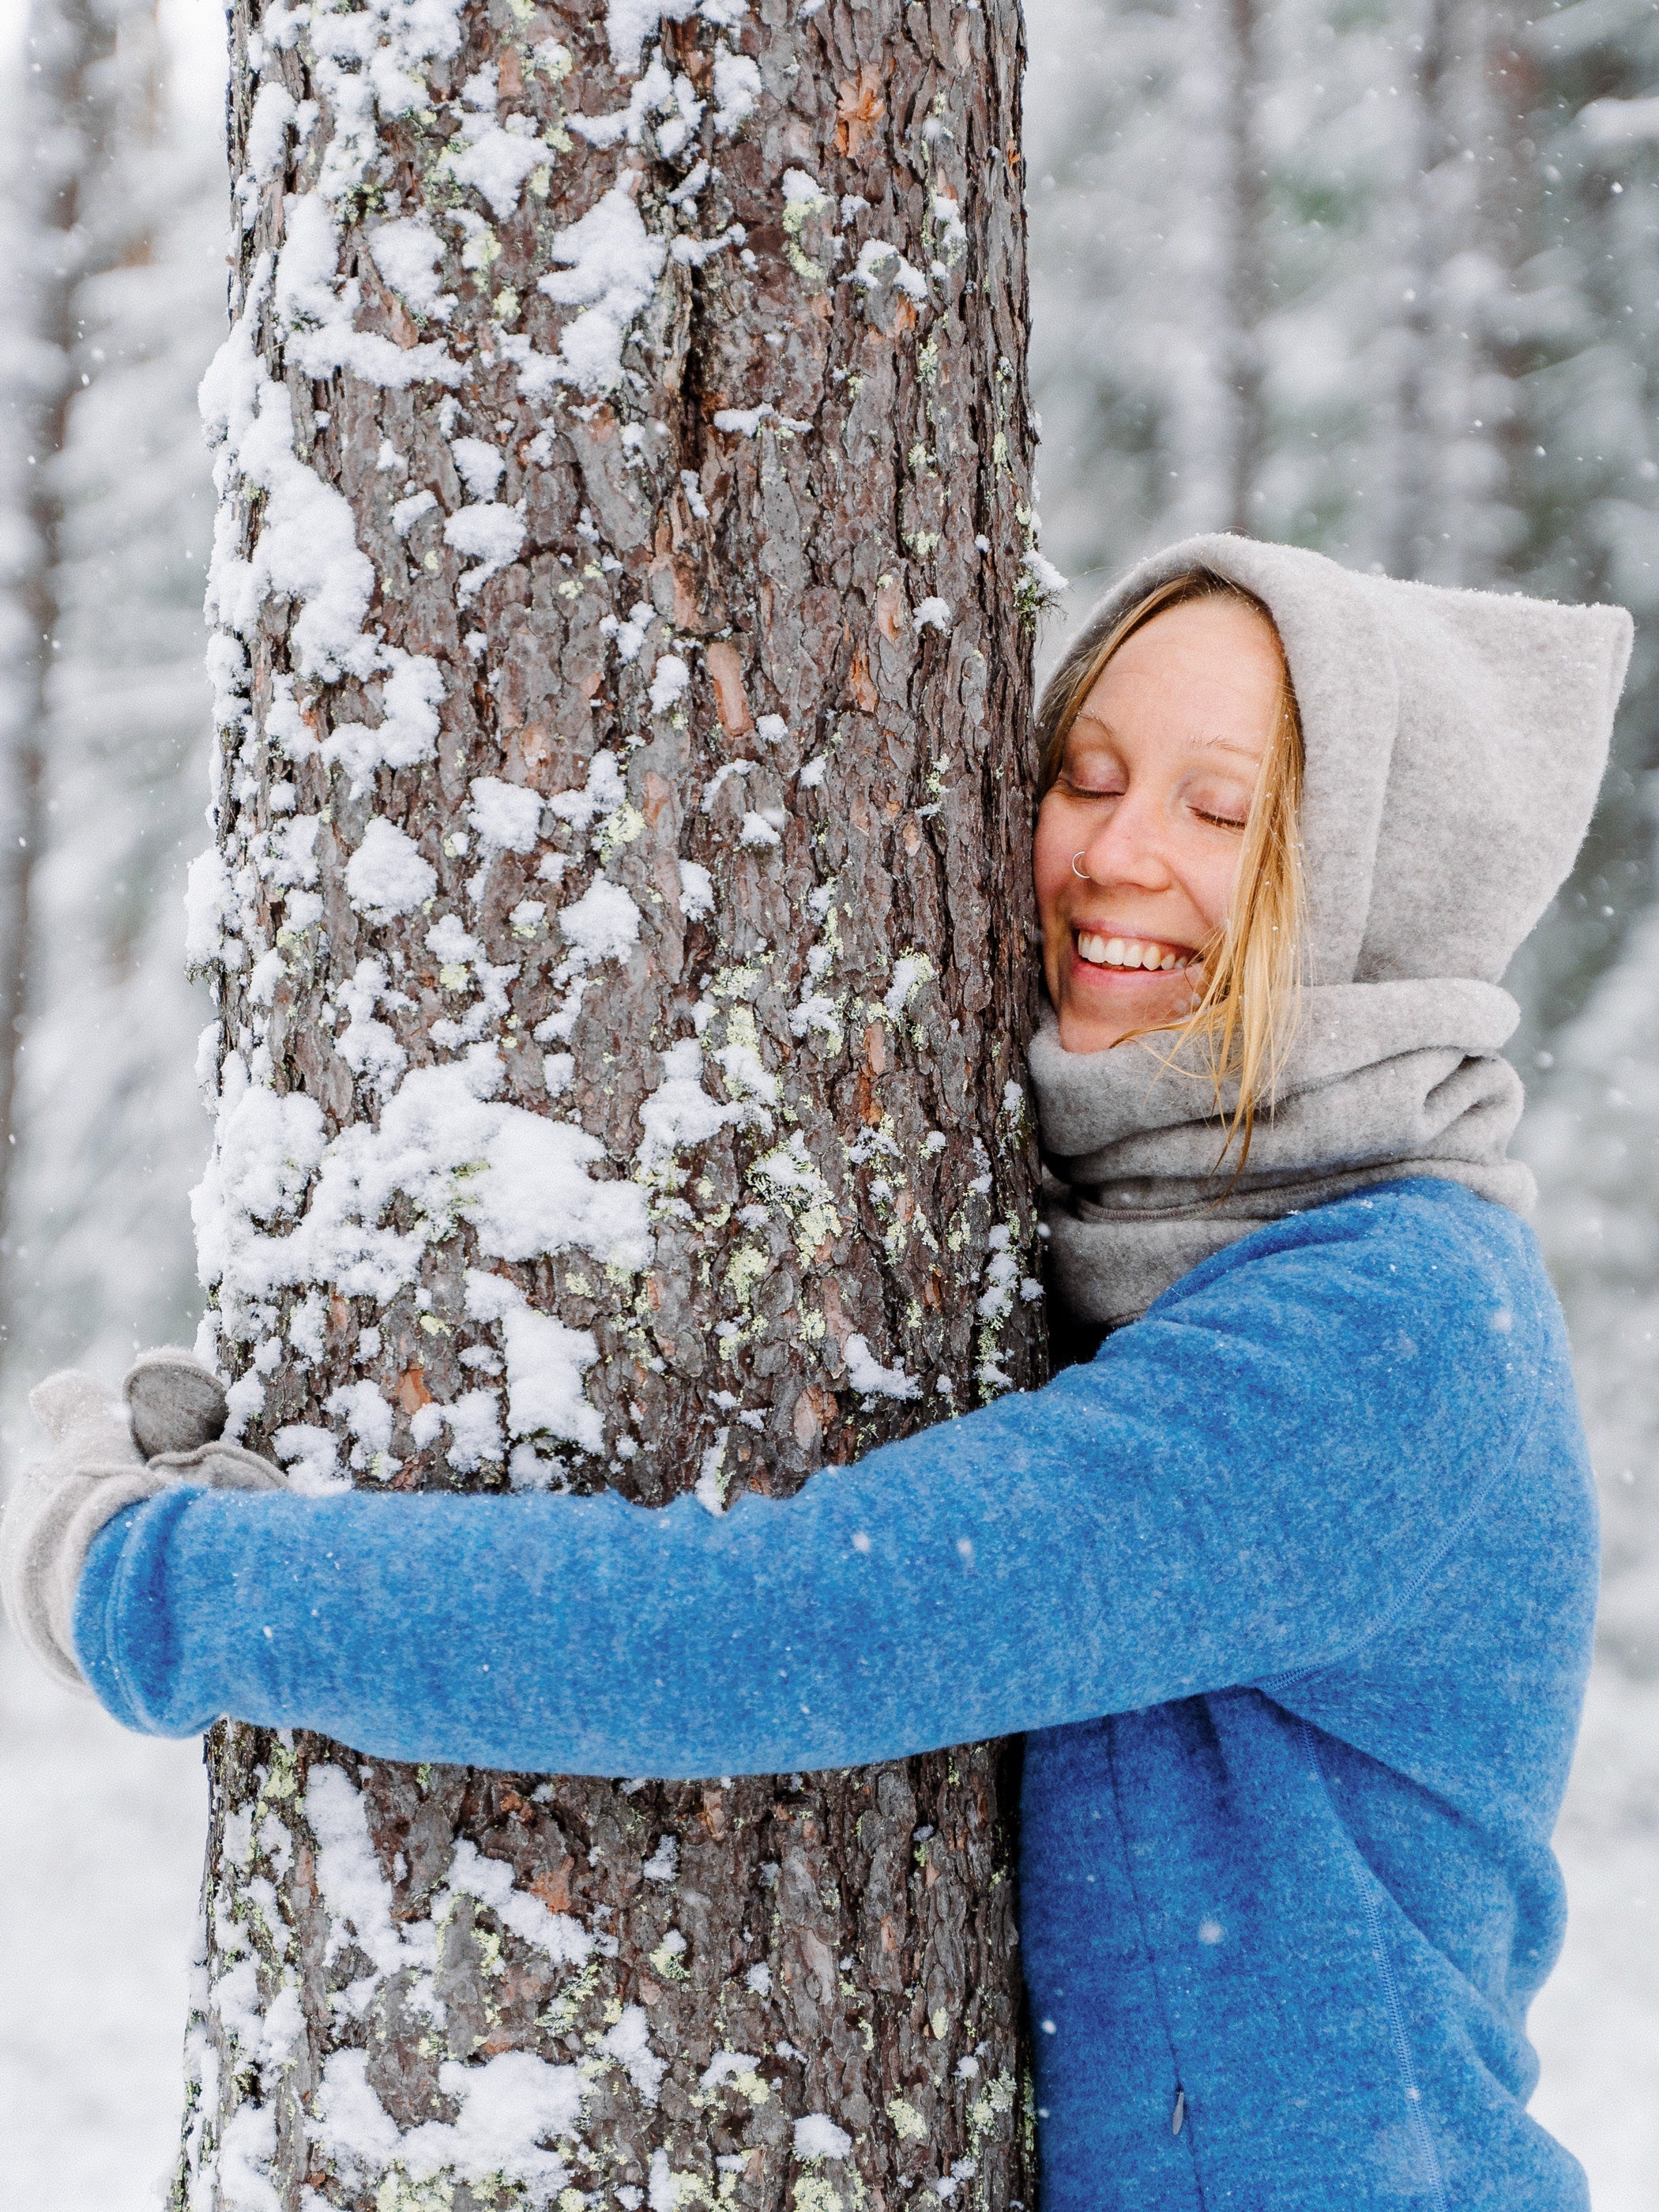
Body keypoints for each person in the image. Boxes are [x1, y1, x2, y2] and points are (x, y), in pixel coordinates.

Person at [0, 534, 1631, 2210]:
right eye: (1085, 772)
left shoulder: (1386, 1328)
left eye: (1223, 813)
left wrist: (156, 1581)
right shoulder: (1159, 1246)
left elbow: (785, 1621)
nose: (1116, 851)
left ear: (1370, 883)